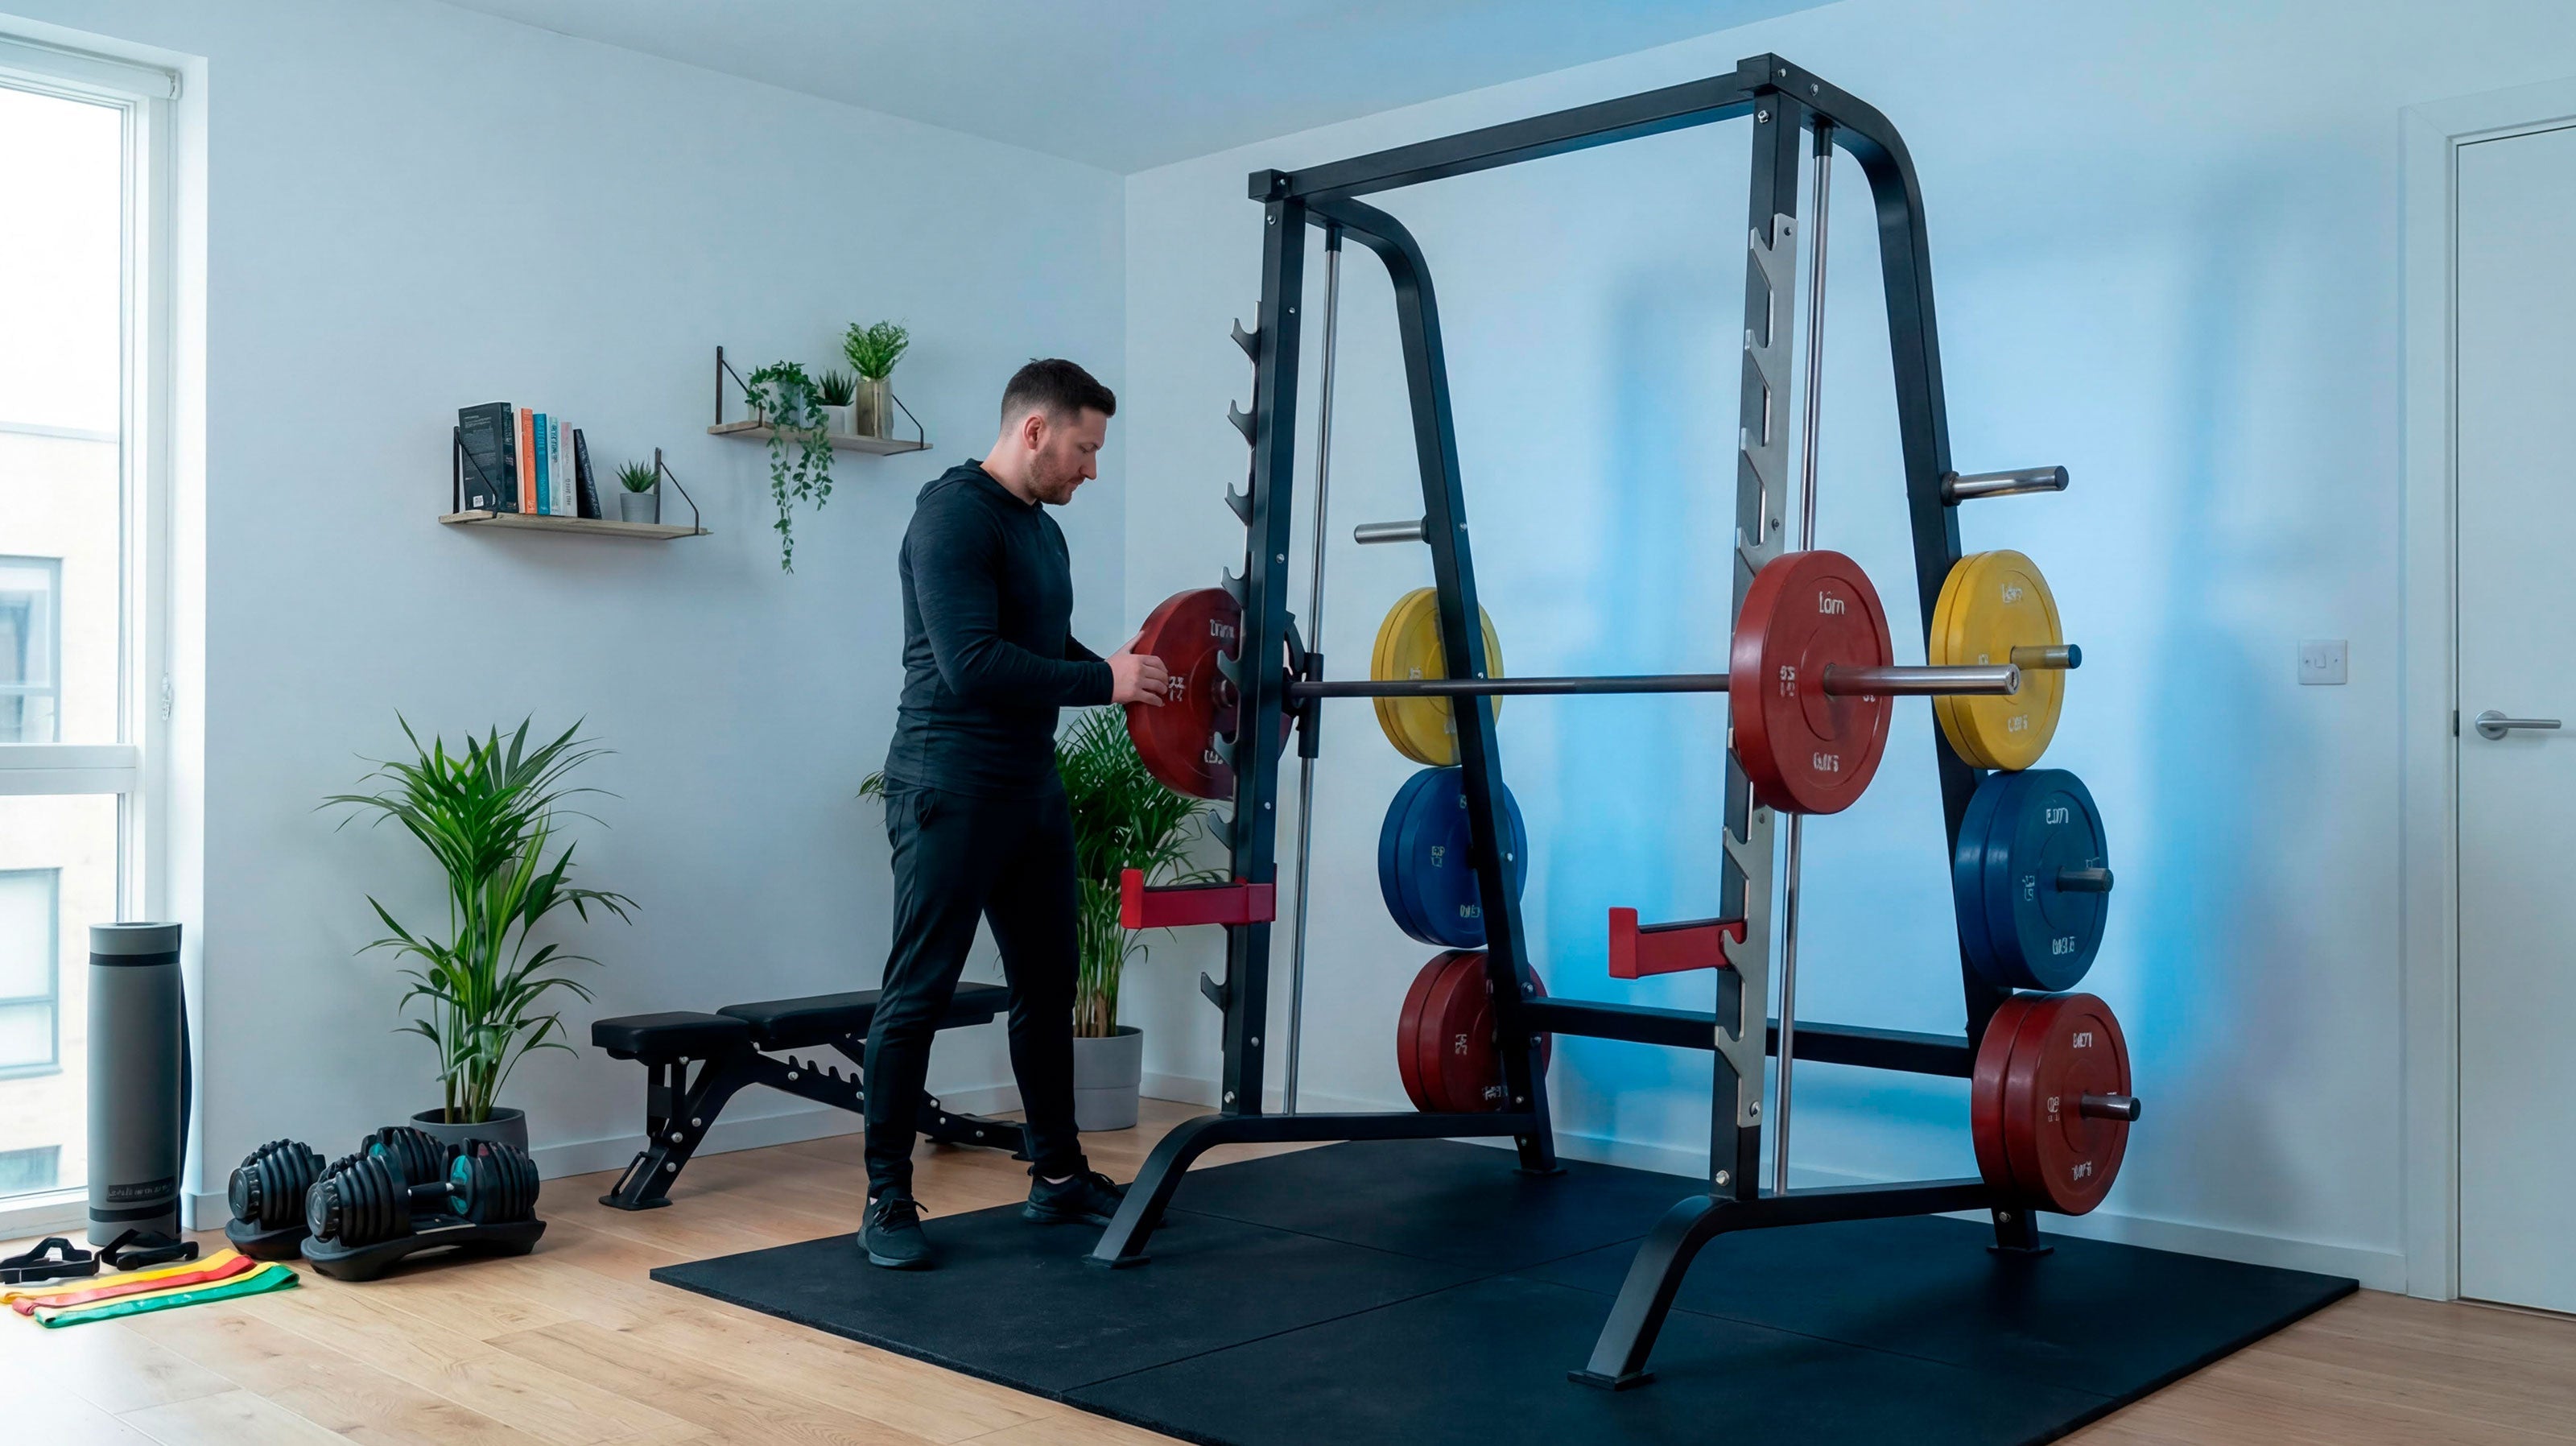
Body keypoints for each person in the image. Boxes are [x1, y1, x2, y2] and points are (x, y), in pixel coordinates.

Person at [861, 358, 1169, 1270]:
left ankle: (1058, 1175)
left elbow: (1037, 644)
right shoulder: (952, 515)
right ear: (1034, 430)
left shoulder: (1042, 531)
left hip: (1029, 787)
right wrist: (1101, 681)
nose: (1092, 469)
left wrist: (1115, 668)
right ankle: (885, 1197)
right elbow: (972, 664)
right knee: (918, 991)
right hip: (947, 785)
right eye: (1084, 448)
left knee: (1046, 986)